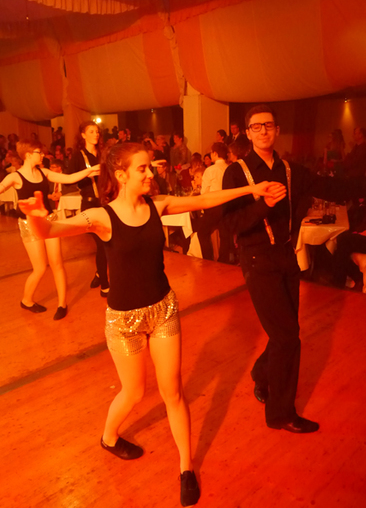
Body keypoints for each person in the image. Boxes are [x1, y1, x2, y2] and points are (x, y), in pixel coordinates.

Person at [18, 142, 280, 507]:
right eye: (142, 168)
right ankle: (109, 437)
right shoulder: (102, 217)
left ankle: (186, 468)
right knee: (134, 392)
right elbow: (49, 230)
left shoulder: (158, 206)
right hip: (123, 321)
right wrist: (34, 215)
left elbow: (206, 200)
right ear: (121, 175)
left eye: (149, 167)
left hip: (163, 311)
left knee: (173, 391)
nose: (150, 173)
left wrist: (253, 189)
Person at [222, 104, 366, 434]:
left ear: (277, 130)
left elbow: (330, 187)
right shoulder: (236, 173)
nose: (263, 131)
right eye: (256, 126)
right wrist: (263, 205)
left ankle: (262, 372)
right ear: (248, 133)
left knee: (286, 331)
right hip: (256, 260)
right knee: (287, 337)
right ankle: (280, 414)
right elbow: (232, 223)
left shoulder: (291, 170)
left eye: (268, 125)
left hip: (285, 257)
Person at [0, 139, 100, 319]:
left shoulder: (44, 172)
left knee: (57, 263)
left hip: (50, 221)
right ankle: (26, 300)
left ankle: (62, 304)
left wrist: (90, 170)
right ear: (28, 155)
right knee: (39, 268)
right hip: (29, 225)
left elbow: (69, 178)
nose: (43, 155)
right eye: (39, 152)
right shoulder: (15, 177)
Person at [69, 121, 109, 297]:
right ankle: (105, 285)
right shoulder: (78, 156)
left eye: (97, 131)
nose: (96, 134)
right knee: (102, 243)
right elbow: (69, 179)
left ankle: (100, 273)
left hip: (105, 203)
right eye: (91, 131)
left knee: (108, 243)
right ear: (83, 135)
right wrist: (88, 172)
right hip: (90, 204)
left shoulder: (103, 154)